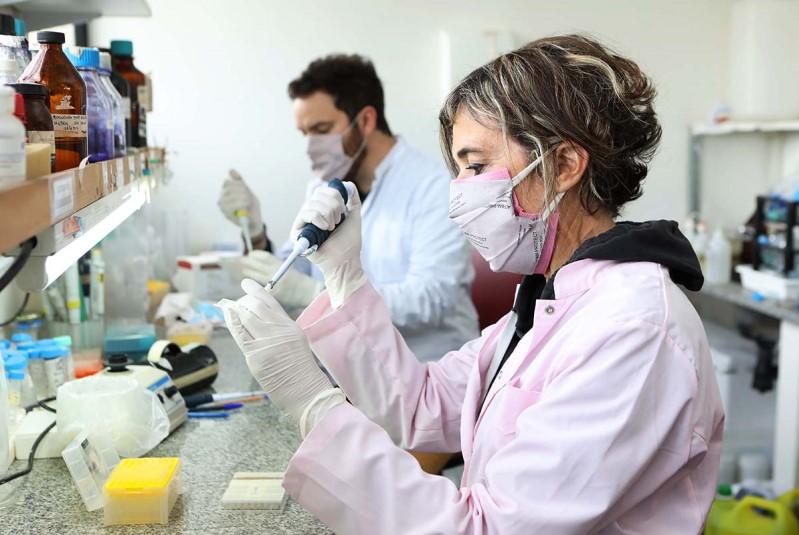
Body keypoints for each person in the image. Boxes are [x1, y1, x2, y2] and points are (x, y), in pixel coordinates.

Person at [220, 35, 724, 533]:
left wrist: (314, 404)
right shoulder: (553, 298)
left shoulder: (632, 331)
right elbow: (421, 404)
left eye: (477, 166)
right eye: (460, 171)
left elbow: (485, 530)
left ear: (565, 165)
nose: (461, 194)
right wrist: (343, 275)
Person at [217, 54, 479, 364]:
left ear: (366, 120)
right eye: (304, 133)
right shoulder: (323, 186)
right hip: (349, 370)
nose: (310, 146)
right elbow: (295, 269)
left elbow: (431, 299)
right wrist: (256, 234)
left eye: (322, 129)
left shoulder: (433, 185)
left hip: (426, 372)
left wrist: (318, 295)